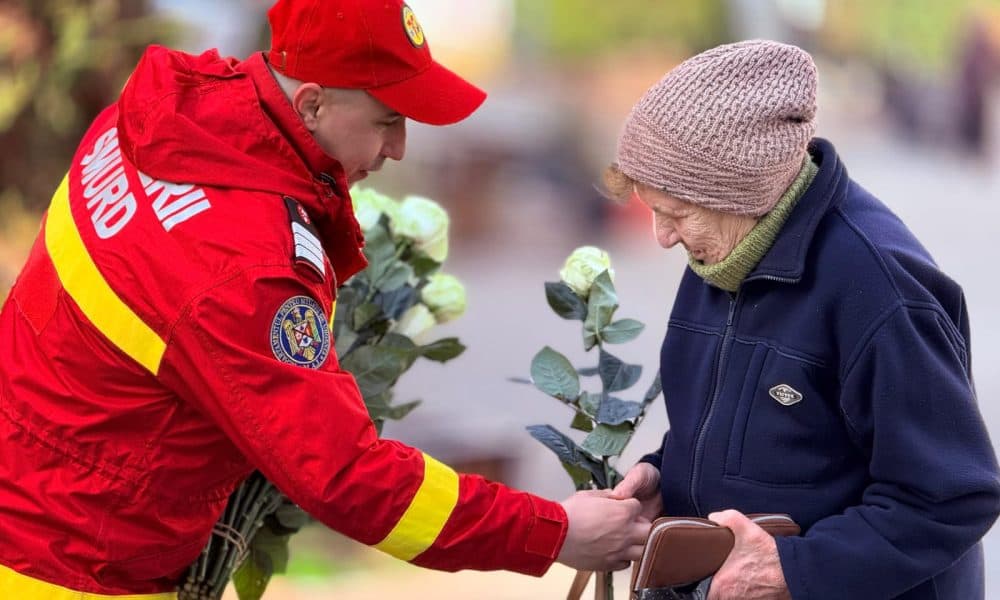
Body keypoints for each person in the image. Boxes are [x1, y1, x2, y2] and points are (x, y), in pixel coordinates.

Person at [0, 0, 649, 596]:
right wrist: (553, 531)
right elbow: (346, 477)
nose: (397, 149)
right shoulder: (245, 267)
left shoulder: (153, 120)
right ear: (310, 105)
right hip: (68, 570)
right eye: (387, 121)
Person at [607, 40, 1000, 599]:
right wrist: (666, 475)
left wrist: (793, 570)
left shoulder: (881, 287)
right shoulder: (722, 249)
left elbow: (952, 495)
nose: (663, 236)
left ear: (740, 189)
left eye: (676, 213)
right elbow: (750, 422)